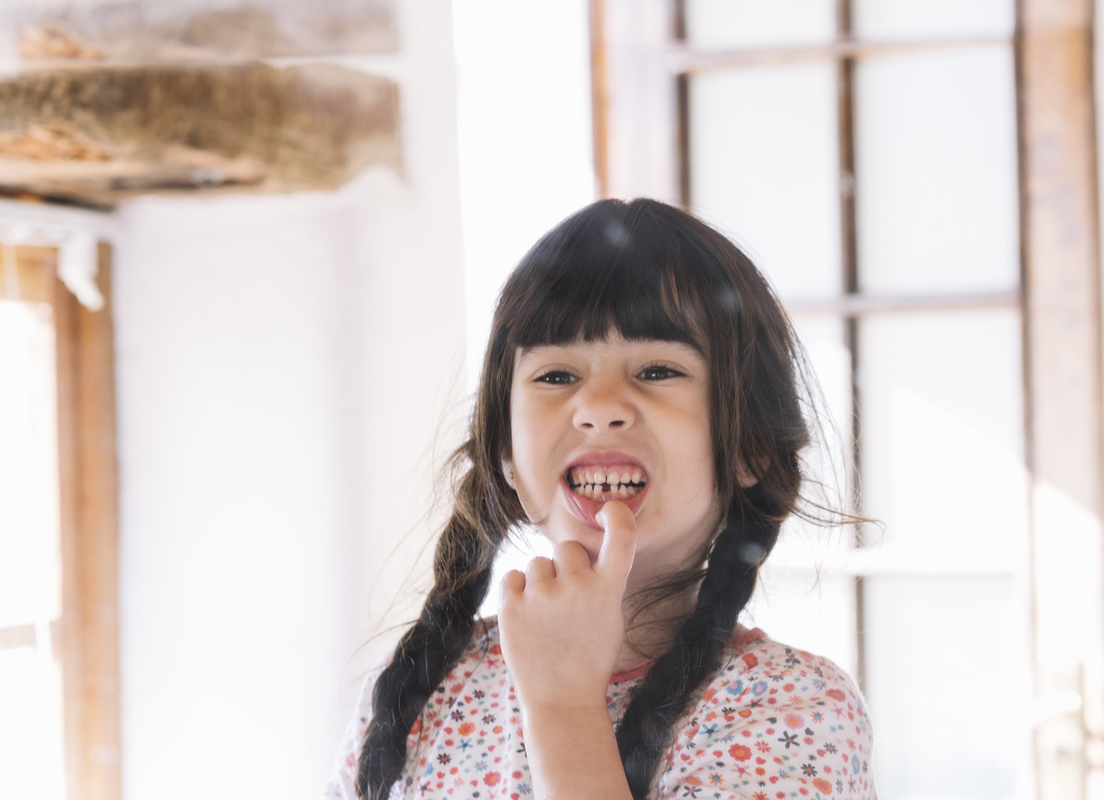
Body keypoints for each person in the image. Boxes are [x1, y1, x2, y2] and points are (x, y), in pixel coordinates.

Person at [326, 198, 875, 800]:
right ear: (506, 453)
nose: (598, 408)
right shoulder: (415, 691)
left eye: (659, 370)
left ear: (751, 447)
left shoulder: (794, 707)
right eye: (556, 376)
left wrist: (564, 709)